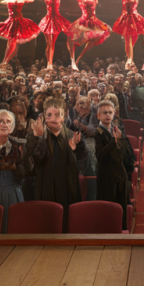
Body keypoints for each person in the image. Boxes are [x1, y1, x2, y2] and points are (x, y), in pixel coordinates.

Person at [26, 97, 86, 231]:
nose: (54, 118)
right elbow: (31, 164)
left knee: (67, 225)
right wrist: (39, 138)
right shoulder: (34, 136)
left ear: (64, 116)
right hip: (44, 188)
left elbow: (81, 164)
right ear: (43, 117)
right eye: (49, 115)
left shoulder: (73, 136)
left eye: (58, 114)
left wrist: (73, 151)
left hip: (67, 189)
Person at [94, 100, 135, 223]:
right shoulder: (97, 133)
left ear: (114, 114)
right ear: (98, 116)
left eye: (110, 113)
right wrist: (114, 142)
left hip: (120, 176)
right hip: (106, 178)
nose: (107, 115)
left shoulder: (116, 131)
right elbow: (100, 155)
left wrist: (120, 142)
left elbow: (125, 155)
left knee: (121, 209)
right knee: (108, 212)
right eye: (104, 113)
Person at [63, 0, 111, 71]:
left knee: (103, 33)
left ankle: (79, 58)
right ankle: (73, 60)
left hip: (93, 21)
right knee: (71, 38)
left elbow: (95, 6)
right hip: (83, 21)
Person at [33, 0, 74, 71]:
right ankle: (49, 63)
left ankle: (49, 63)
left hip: (57, 19)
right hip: (48, 20)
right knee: (49, 43)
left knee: (52, 43)